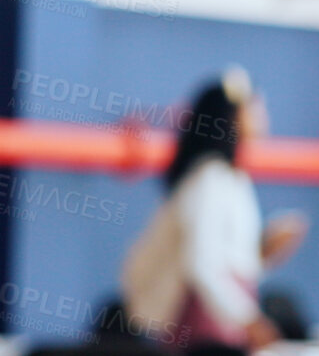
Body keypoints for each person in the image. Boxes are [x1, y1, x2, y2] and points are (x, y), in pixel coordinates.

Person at [122, 67, 308, 354]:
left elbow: (230, 262)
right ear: (230, 118)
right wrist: (250, 321)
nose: (262, 115)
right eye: (253, 107)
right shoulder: (210, 180)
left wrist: (263, 252)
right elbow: (202, 264)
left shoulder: (232, 180)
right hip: (204, 329)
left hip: (221, 322)